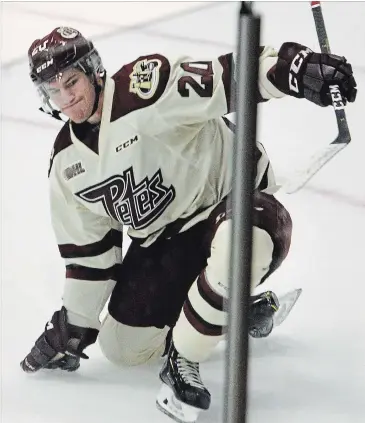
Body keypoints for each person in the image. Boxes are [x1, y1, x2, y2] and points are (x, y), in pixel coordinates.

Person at [21, 26, 356, 422]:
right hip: (167, 243)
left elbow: (229, 76)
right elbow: (90, 259)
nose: (67, 98)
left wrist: (295, 70)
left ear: (93, 70)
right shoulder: (67, 165)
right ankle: (235, 311)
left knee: (241, 242)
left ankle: (185, 359)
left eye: (71, 82)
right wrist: (72, 328)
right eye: (53, 91)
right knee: (124, 349)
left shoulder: (143, 89)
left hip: (231, 205)